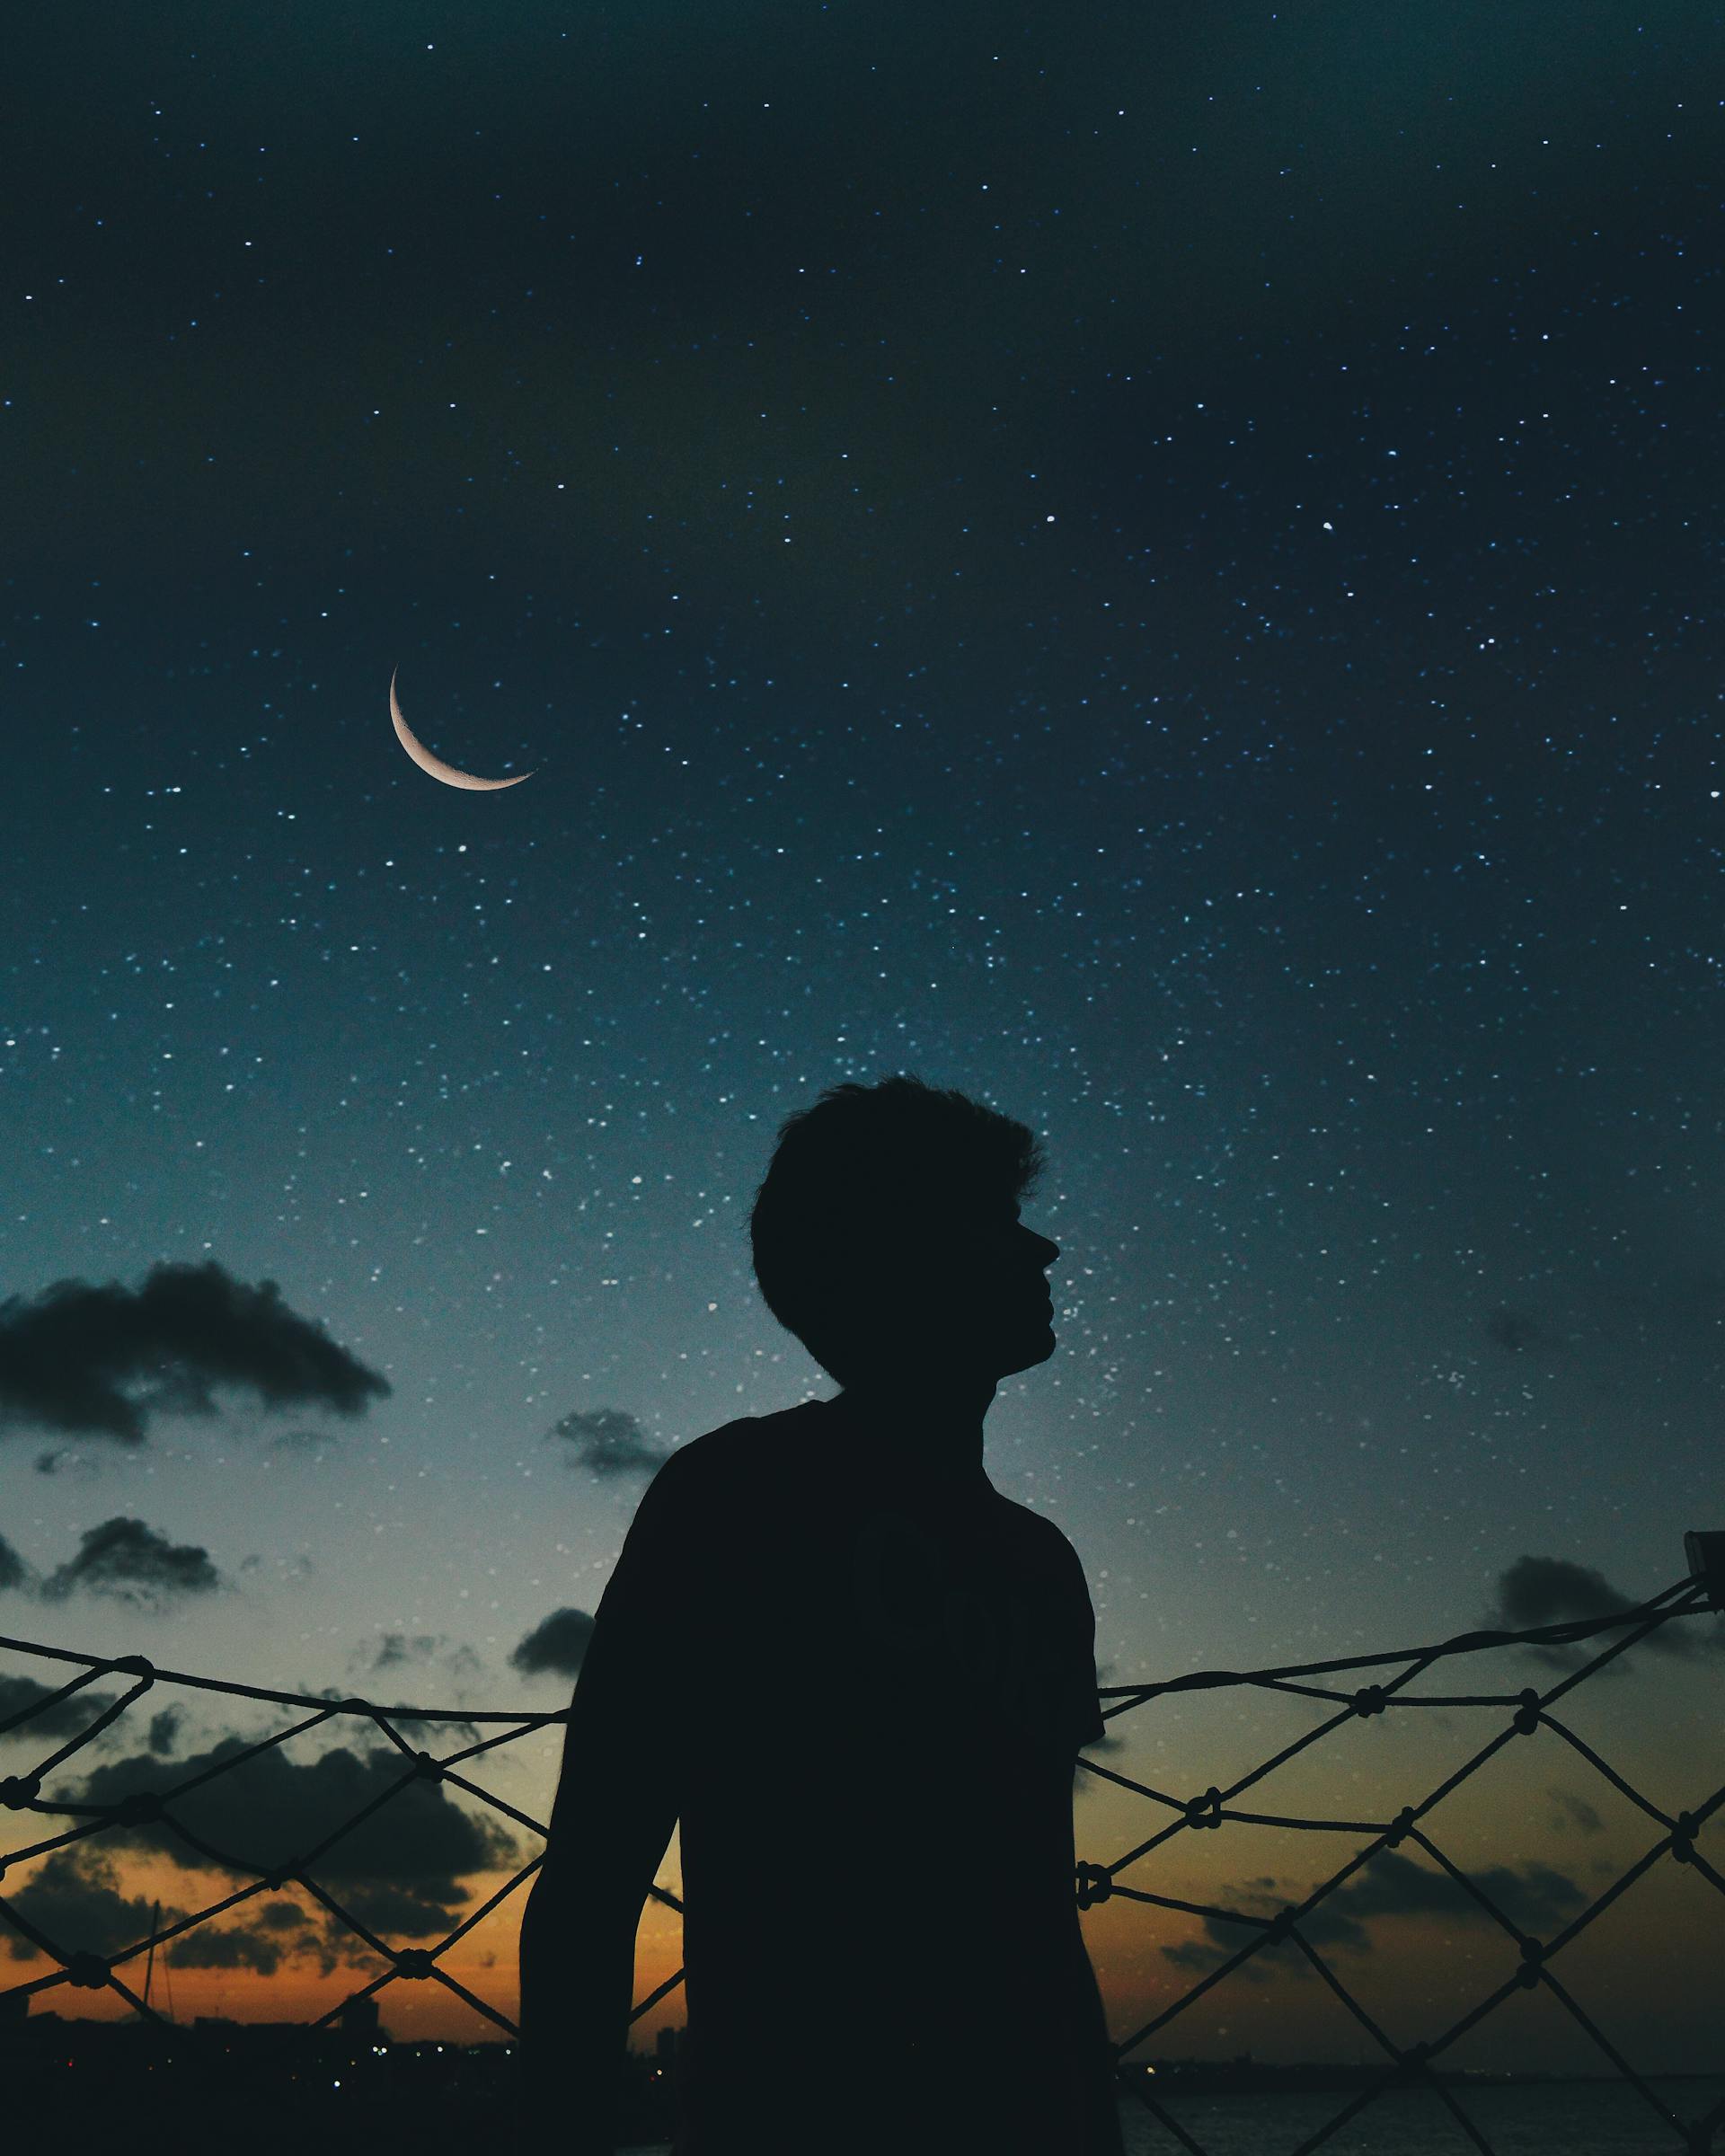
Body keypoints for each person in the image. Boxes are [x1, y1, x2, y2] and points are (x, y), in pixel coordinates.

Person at [518, 1074, 1123, 2155]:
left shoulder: (1041, 1563)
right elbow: (597, 1871)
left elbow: (1042, 1913)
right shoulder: (738, 1494)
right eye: (993, 1223)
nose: (1044, 1253)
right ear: (899, 1253)